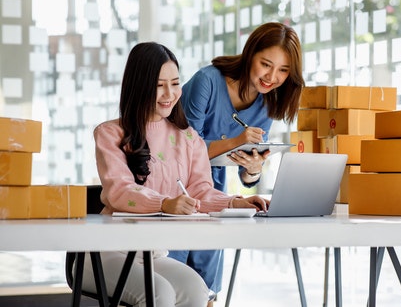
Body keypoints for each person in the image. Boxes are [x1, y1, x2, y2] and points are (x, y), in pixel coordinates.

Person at [81, 42, 269, 307]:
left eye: (175, 83)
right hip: (107, 251)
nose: (169, 94)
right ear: (139, 85)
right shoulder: (110, 134)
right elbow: (119, 191)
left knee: (197, 291)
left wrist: (236, 202)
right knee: (160, 294)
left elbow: (200, 193)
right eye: (159, 85)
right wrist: (165, 204)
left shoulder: (190, 138)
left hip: (153, 255)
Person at [171, 22, 305, 300]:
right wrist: (236, 140)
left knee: (207, 284)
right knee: (173, 277)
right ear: (250, 54)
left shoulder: (267, 103)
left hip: (215, 190)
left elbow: (247, 175)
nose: (272, 76)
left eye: (283, 70)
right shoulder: (208, 81)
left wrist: (254, 169)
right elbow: (185, 150)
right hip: (175, 186)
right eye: (266, 64)